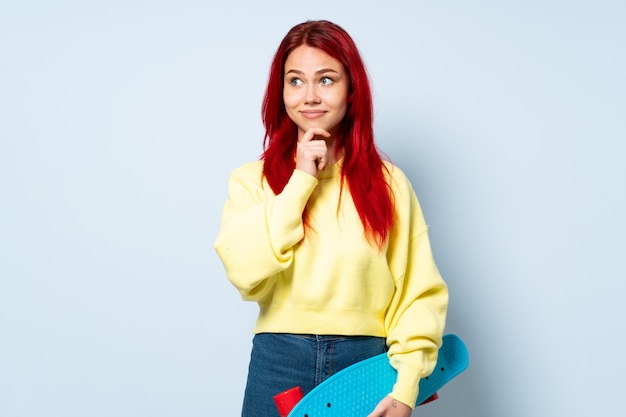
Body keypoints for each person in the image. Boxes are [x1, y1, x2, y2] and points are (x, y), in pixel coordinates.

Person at [214, 20, 448, 417]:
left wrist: (408, 387)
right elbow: (246, 274)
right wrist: (302, 179)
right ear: (281, 91)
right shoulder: (251, 181)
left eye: (326, 80)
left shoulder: (389, 184)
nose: (310, 96)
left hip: (367, 362)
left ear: (352, 90)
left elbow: (417, 292)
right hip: (280, 362)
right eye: (295, 81)